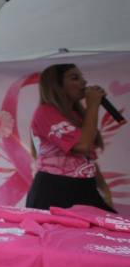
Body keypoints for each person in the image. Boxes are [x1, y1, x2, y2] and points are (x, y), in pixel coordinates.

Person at [25, 63, 115, 212]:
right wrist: (93, 105)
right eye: (75, 78)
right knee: (60, 234)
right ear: (57, 86)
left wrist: (105, 190)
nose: (84, 82)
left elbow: (86, 158)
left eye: (82, 77)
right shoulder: (45, 112)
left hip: (85, 187)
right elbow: (83, 145)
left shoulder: (76, 115)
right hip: (55, 190)